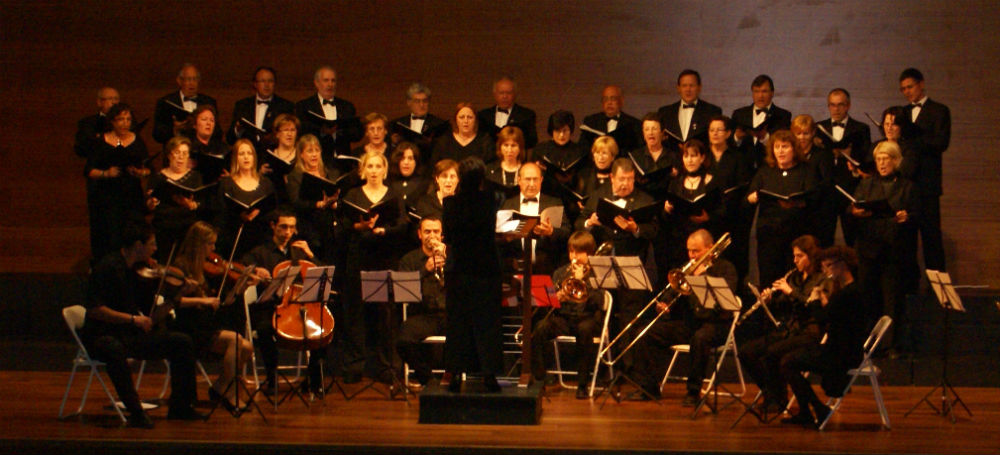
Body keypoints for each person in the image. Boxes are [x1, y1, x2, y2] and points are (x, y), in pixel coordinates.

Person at [81, 222, 201, 427]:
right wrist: (132, 319)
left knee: (181, 342)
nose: (155, 249)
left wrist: (177, 296)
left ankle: (181, 407)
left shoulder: (141, 273)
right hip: (101, 335)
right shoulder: (107, 267)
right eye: (152, 244)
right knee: (114, 349)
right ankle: (135, 412)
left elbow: (152, 317)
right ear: (138, 245)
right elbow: (94, 309)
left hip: (129, 334)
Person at [630, 229, 738, 404]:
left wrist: (702, 276)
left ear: (711, 248)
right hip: (691, 324)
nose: (692, 255)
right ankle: (648, 387)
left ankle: (693, 392)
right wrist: (665, 304)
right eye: (689, 251)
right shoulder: (687, 269)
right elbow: (672, 292)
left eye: (696, 251)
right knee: (645, 332)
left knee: (700, 338)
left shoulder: (725, 268)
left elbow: (726, 300)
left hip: (716, 324)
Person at [169, 221, 255, 413]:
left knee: (247, 347)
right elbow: (174, 301)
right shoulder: (181, 266)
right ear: (198, 244)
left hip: (206, 325)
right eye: (210, 244)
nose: (214, 249)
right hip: (188, 327)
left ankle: (220, 386)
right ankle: (230, 393)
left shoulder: (205, 268)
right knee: (235, 340)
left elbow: (221, 302)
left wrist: (237, 291)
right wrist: (204, 301)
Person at [780, 245, 867, 428]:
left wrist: (813, 300)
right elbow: (836, 316)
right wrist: (825, 303)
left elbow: (822, 318)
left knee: (788, 362)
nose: (826, 270)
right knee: (791, 358)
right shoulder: (850, 290)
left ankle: (816, 409)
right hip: (842, 348)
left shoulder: (848, 293)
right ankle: (808, 411)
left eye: (829, 266)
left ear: (842, 265)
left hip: (842, 354)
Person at [339, 152, 407, 383]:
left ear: (385, 170)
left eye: (378, 166)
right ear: (363, 170)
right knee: (355, 314)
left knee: (384, 314)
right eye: (370, 166)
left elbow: (403, 224)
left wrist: (383, 231)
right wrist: (360, 227)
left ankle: (386, 366)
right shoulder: (353, 194)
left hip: (384, 257)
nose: (374, 170)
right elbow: (343, 227)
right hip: (359, 257)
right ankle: (355, 365)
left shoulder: (393, 194)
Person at [738, 235, 827, 411]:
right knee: (746, 352)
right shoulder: (795, 277)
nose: (795, 261)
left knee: (772, 353)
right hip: (790, 330)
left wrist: (790, 291)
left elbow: (811, 306)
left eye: (799, 256)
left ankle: (778, 399)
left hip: (809, 332)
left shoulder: (821, 279)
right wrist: (769, 300)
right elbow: (784, 306)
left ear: (811, 256)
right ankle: (771, 393)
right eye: (794, 256)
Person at [240, 208, 321, 394]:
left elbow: (319, 274)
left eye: (292, 228)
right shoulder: (260, 252)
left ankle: (312, 379)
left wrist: (310, 255)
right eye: (283, 227)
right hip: (270, 308)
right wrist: (255, 270)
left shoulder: (299, 251)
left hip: (298, 308)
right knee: (264, 329)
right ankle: (272, 378)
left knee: (321, 328)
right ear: (273, 226)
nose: (288, 232)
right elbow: (243, 264)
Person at [441, 157, 504, 393]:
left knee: (458, 323)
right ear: (481, 178)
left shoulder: (450, 203)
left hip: (459, 269)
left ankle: (456, 374)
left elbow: (448, 236)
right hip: (486, 269)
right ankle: (489, 375)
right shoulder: (490, 199)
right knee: (487, 323)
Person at [850, 141, 919, 353]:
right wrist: (855, 211)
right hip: (869, 249)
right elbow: (853, 208)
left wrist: (907, 216)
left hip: (894, 251)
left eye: (886, 159)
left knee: (892, 300)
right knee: (868, 297)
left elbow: (918, 214)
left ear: (895, 161)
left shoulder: (908, 186)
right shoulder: (866, 184)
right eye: (878, 159)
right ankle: (868, 344)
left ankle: (891, 344)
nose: (881, 163)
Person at [576, 158, 658, 331]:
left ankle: (627, 349)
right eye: (621, 179)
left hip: (632, 267)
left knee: (629, 319)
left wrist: (635, 228)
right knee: (602, 316)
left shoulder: (645, 199)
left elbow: (654, 230)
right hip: (602, 266)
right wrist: (590, 222)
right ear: (612, 178)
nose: (625, 184)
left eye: (630, 179)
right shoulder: (598, 195)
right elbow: (579, 223)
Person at [530, 230, 604, 399]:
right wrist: (557, 297)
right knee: (540, 328)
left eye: (578, 252)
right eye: (571, 252)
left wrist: (582, 280)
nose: (574, 257)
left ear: (589, 253)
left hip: (587, 318)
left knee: (584, 330)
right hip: (564, 318)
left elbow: (599, 301)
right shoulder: (560, 272)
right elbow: (548, 301)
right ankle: (540, 378)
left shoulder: (598, 273)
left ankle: (582, 384)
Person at [746, 130, 819, 288]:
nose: (780, 151)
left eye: (785, 147)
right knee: (768, 276)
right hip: (769, 233)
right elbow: (750, 194)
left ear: (794, 149)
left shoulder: (806, 170)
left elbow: (814, 198)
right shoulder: (765, 171)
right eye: (777, 147)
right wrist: (752, 197)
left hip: (796, 233)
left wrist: (796, 203)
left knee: (794, 276)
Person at [899, 67, 950, 271]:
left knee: (931, 238)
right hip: (905, 185)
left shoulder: (939, 110)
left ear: (921, 84)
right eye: (903, 89)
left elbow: (941, 143)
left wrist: (915, 137)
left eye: (910, 87)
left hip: (928, 184)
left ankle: (937, 285)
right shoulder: (903, 112)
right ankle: (910, 285)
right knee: (906, 239)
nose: (907, 92)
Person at [85, 103, 149, 261]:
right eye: (121, 119)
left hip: (132, 195)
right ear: (112, 121)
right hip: (109, 196)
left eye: (128, 119)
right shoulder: (102, 141)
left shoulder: (137, 140)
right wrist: (106, 173)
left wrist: (140, 172)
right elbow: (89, 171)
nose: (125, 123)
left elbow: (149, 168)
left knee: (133, 234)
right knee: (112, 236)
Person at [395, 216, 448, 388]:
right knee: (403, 339)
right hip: (424, 315)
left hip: (450, 314)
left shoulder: (452, 257)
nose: (432, 236)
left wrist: (449, 262)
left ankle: (455, 378)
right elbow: (402, 291)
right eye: (427, 231)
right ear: (419, 234)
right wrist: (425, 269)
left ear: (442, 235)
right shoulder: (409, 260)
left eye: (436, 231)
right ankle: (428, 379)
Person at [816, 88, 872, 247]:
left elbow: (866, 159)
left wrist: (849, 154)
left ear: (848, 105)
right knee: (824, 238)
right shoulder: (819, 127)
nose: (836, 109)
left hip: (850, 188)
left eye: (840, 105)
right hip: (826, 190)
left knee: (853, 238)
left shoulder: (861, 128)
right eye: (832, 105)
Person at [659, 140, 723, 279]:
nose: (690, 160)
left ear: (702, 157)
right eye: (686, 156)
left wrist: (708, 217)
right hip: (679, 242)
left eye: (694, 156)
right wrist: (667, 210)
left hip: (703, 240)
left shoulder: (712, 182)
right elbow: (665, 219)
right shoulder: (675, 183)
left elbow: (722, 212)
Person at [497, 162, 570, 276]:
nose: (531, 184)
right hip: (513, 269)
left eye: (535, 179)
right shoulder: (507, 204)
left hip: (546, 268)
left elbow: (567, 232)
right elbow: (496, 239)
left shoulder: (554, 202)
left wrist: (551, 232)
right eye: (527, 179)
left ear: (541, 180)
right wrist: (506, 237)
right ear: (519, 180)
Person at [145, 136, 207, 260]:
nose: (180, 157)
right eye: (177, 153)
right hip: (163, 228)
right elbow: (148, 205)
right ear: (169, 155)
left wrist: (192, 205)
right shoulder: (158, 177)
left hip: (187, 228)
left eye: (184, 153)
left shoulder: (196, 177)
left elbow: (201, 203)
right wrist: (151, 203)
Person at [215, 139, 277, 260]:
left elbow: (273, 210)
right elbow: (221, 213)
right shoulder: (226, 184)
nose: (246, 157)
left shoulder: (266, 183)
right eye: (241, 154)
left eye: (249, 153)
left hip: (260, 239)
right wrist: (239, 215)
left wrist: (259, 212)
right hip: (234, 239)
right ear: (235, 158)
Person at [285, 134, 341, 262]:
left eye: (317, 150)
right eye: (310, 151)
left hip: (329, 228)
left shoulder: (329, 173)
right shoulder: (296, 176)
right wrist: (318, 204)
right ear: (301, 154)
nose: (314, 154)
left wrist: (334, 204)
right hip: (309, 228)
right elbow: (295, 202)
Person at [295, 65, 362, 166]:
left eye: (333, 81)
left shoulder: (347, 106)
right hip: (316, 161)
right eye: (326, 80)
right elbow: (302, 132)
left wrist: (340, 130)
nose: (330, 84)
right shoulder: (304, 106)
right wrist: (322, 131)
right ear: (316, 83)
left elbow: (357, 135)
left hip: (342, 162)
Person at [791, 115, 836, 246]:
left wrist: (807, 199)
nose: (802, 137)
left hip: (818, 214)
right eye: (798, 133)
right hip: (794, 214)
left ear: (813, 133)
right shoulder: (789, 154)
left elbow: (827, 183)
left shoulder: (823, 154)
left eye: (806, 133)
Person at [533, 110, 586, 222]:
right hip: (548, 199)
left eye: (565, 130)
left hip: (572, 202)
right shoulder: (541, 150)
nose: (561, 135)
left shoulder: (579, 151)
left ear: (571, 130)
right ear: (551, 131)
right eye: (557, 131)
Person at [731, 75, 792, 170]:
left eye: (764, 91)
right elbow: (729, 144)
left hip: (770, 168)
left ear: (772, 93)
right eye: (756, 91)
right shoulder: (739, 114)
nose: (760, 96)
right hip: (742, 168)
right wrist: (737, 137)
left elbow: (785, 144)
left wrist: (765, 138)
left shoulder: (783, 115)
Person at [226, 66, 295, 149]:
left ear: (275, 84)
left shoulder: (285, 106)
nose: (267, 85)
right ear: (255, 84)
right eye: (263, 81)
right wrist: (237, 130)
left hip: (274, 153)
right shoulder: (242, 105)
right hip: (248, 153)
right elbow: (230, 139)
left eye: (270, 81)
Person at [153, 63, 217, 146]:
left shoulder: (209, 102)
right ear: (179, 81)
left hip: (202, 149)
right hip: (175, 149)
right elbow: (157, 134)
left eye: (195, 79)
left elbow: (218, 133)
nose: (192, 83)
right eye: (188, 79)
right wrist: (174, 130)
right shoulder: (166, 102)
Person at [657, 69, 722, 149]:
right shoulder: (665, 112)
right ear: (678, 88)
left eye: (692, 85)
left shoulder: (712, 111)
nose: (688, 90)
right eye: (684, 86)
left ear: (699, 87)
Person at [389, 83, 449, 164]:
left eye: (425, 101)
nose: (421, 105)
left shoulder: (438, 124)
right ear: (409, 102)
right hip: (404, 165)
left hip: (429, 165)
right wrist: (394, 143)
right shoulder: (398, 123)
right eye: (417, 101)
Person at [476, 76, 538, 149]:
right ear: (494, 94)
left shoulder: (526, 115)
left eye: (509, 93)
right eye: (501, 93)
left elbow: (532, 141)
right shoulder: (483, 116)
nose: (505, 96)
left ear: (515, 94)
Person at [629, 112, 678, 200]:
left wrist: (675, 176)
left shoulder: (673, 156)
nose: (650, 133)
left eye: (654, 129)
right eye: (647, 129)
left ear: (662, 133)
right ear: (643, 134)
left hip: (666, 202)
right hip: (641, 202)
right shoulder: (635, 156)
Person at [579, 85, 642, 153]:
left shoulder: (634, 124)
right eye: (605, 99)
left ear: (621, 101)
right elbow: (582, 148)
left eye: (613, 99)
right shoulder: (591, 121)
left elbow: (638, 150)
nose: (609, 103)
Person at [430, 102, 494, 167]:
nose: (466, 121)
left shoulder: (485, 141)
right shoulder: (444, 141)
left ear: (475, 120)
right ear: (456, 120)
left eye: (470, 117)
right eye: (461, 117)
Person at [259, 113, 299, 204]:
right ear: (277, 134)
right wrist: (260, 173)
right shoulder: (268, 154)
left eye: (292, 130)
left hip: (293, 202)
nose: (289, 134)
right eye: (286, 130)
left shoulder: (301, 155)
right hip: (271, 201)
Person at [185, 105, 230, 185]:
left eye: (212, 120)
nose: (208, 123)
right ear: (194, 124)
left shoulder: (223, 148)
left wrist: (228, 177)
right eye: (204, 119)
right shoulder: (187, 146)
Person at [75, 87, 121, 159]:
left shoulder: (129, 121)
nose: (114, 102)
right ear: (99, 102)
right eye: (110, 99)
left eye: (116, 99)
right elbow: (81, 149)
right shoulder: (88, 123)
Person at [485, 125, 525, 191]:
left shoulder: (527, 171)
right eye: (506, 145)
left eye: (513, 145)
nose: (509, 150)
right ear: (500, 147)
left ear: (520, 147)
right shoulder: (489, 170)